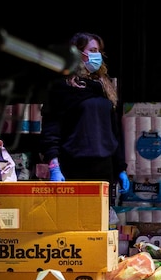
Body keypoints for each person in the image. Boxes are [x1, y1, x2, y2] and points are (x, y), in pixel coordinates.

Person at [40, 31, 130, 195]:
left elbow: (113, 132)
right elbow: (52, 127)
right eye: (93, 50)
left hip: (104, 165)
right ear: (78, 53)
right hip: (75, 164)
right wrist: (54, 165)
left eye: (99, 51)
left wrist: (120, 168)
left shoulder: (103, 88)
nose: (98, 55)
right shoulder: (63, 88)